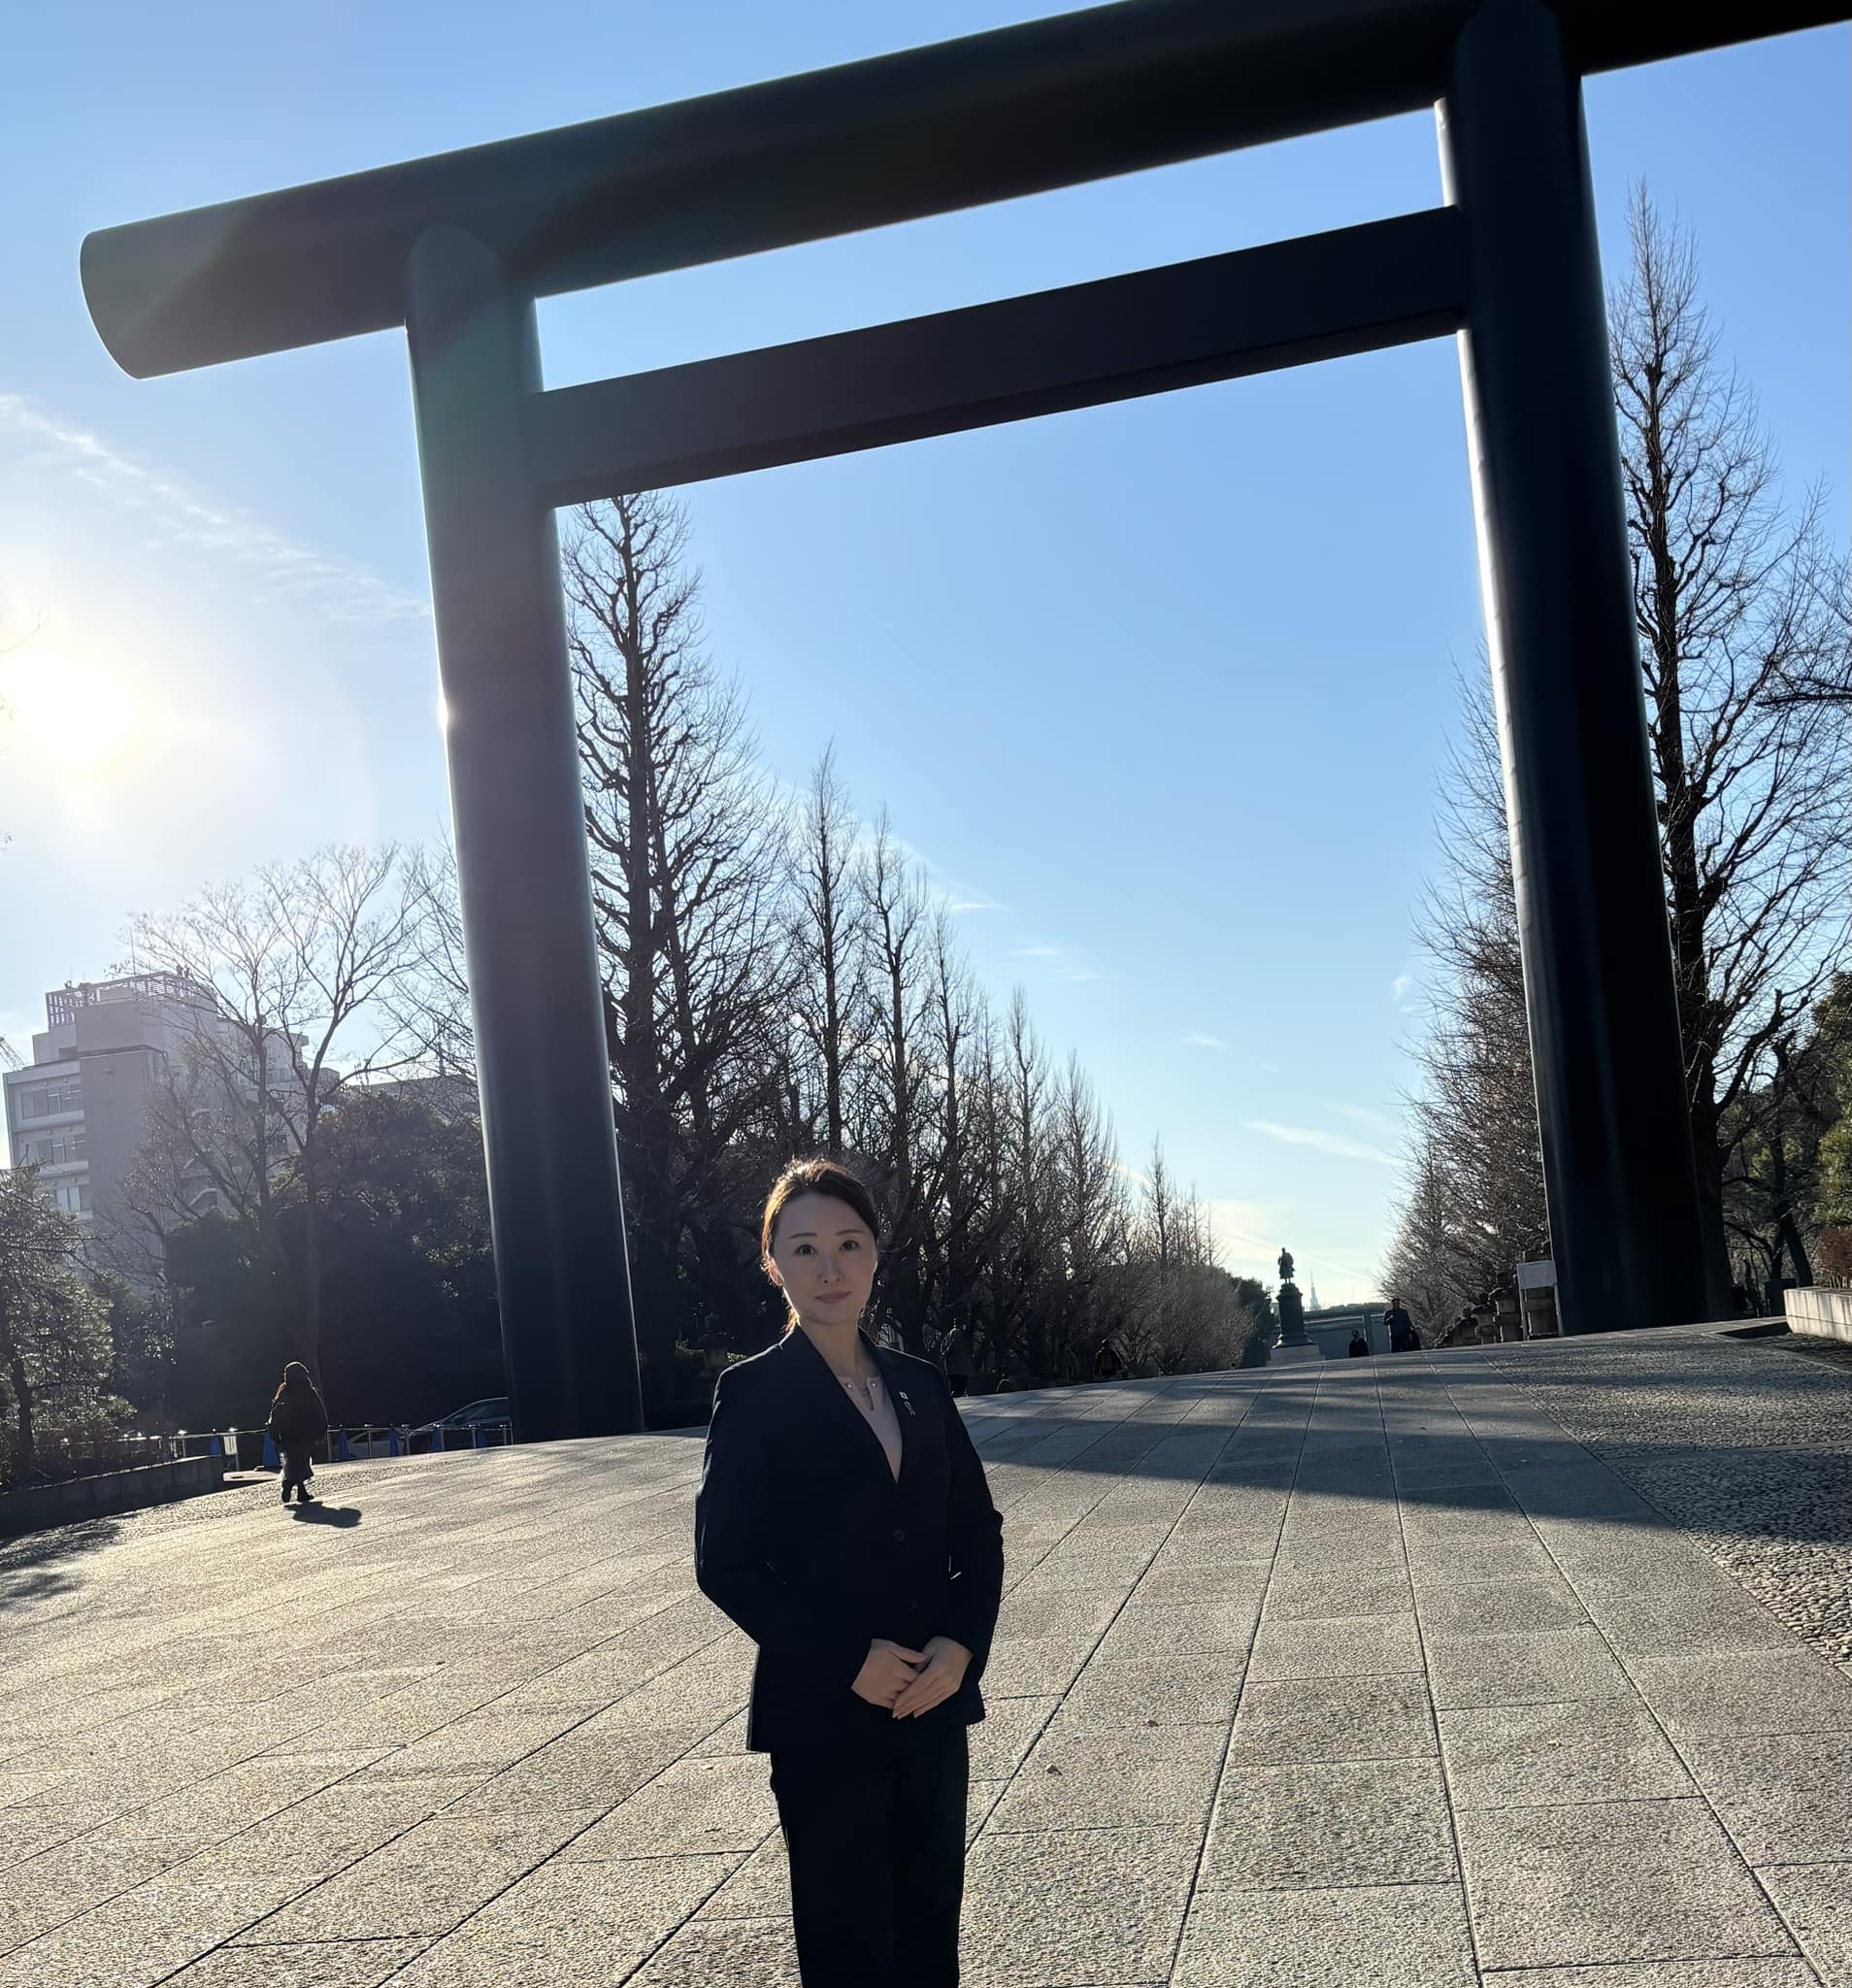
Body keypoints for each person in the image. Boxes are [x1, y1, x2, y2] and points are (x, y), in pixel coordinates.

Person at [694, 1156, 1006, 1988]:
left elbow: (977, 1532)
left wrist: (961, 1646)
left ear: (874, 1253)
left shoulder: (920, 1387)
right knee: (849, 1945)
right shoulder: (753, 1393)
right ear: (773, 1263)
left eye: (848, 1244)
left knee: (930, 1928)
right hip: (824, 1712)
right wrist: (846, 1658)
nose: (829, 1269)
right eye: (804, 1249)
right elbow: (724, 1562)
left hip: (932, 1700)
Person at [267, 1361, 328, 1508]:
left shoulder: (284, 1391)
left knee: (295, 1460)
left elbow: (275, 1412)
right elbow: (318, 1410)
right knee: (302, 1460)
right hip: (306, 1431)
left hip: (287, 1434)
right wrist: (322, 1428)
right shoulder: (307, 1390)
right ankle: (291, 1485)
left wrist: (274, 1432)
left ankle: (300, 1489)